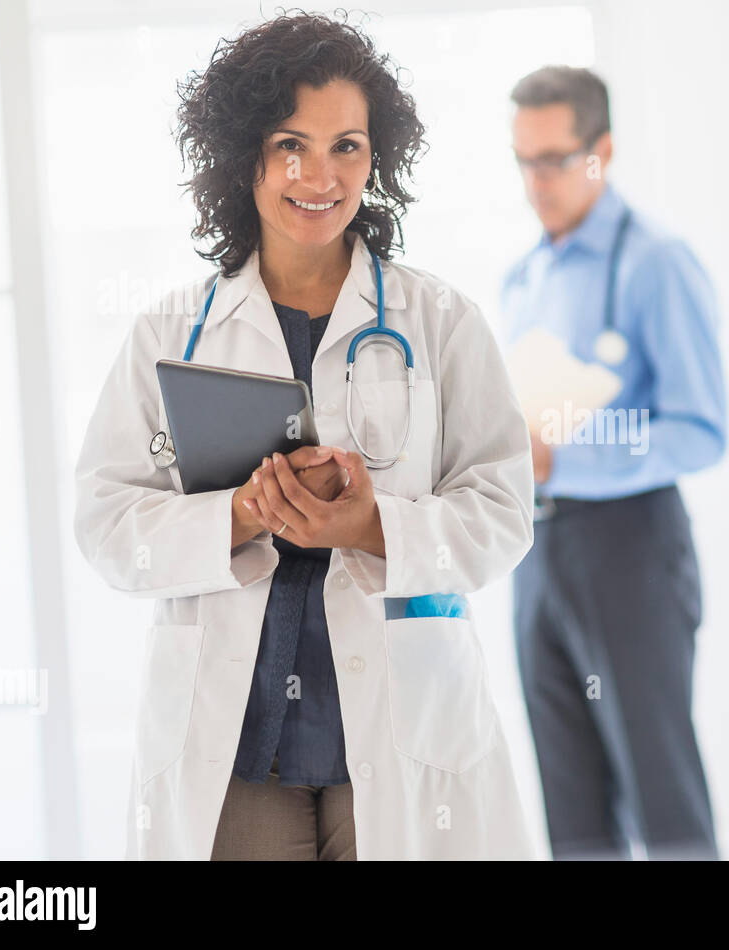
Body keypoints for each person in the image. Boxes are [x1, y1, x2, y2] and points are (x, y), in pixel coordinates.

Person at [72, 13, 536, 860]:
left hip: (404, 733)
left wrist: (371, 528)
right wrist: (238, 518)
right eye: (291, 143)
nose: (320, 175)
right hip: (240, 741)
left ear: (376, 155)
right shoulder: (171, 330)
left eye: (347, 146)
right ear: (243, 153)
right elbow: (106, 525)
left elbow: (502, 515)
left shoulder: (442, 322)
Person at [502, 66, 727, 859]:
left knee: (661, 798)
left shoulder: (656, 263)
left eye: (556, 159)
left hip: (630, 548)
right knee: (571, 808)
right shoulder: (522, 275)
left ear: (603, 152)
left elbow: (700, 430)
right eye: (524, 160)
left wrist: (563, 458)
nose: (538, 182)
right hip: (535, 550)